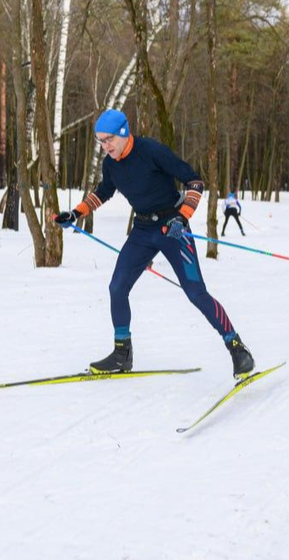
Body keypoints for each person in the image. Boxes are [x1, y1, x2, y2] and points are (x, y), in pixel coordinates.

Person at [54, 109, 255, 379]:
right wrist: (76, 213)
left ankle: (237, 348)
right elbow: (105, 191)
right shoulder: (110, 164)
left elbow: (195, 182)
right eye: (100, 141)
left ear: (124, 133)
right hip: (143, 230)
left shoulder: (151, 151)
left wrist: (183, 218)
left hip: (172, 226)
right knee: (117, 287)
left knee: (196, 292)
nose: (106, 146)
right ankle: (122, 353)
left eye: (109, 139)